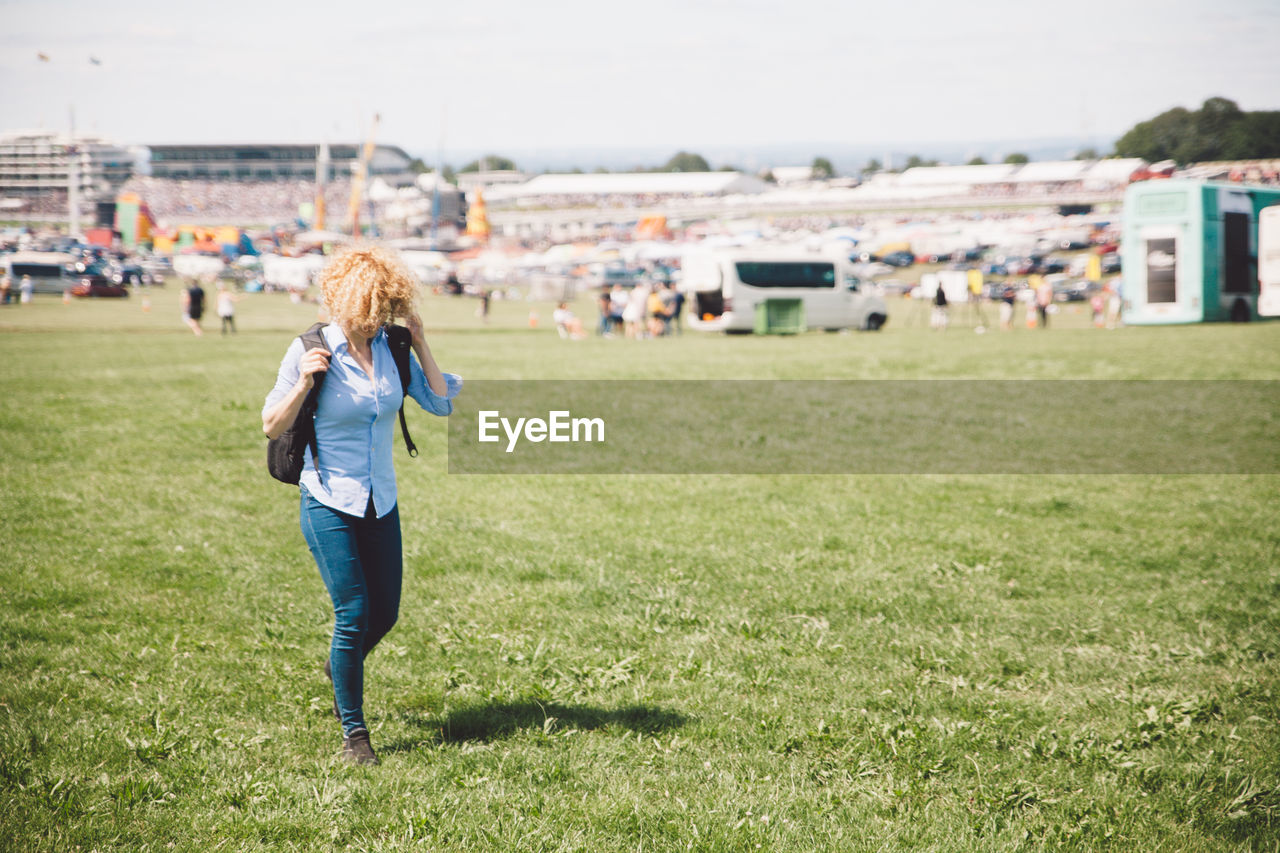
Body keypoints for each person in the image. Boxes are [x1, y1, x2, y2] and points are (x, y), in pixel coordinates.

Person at [261, 244, 461, 766]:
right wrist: (305, 381)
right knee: (352, 614)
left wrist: (419, 345)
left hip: (381, 499)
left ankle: (339, 666)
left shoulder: (393, 347)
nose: (372, 325)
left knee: (386, 613)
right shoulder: (310, 349)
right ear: (342, 302)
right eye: (365, 316)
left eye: (382, 315)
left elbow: (441, 402)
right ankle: (355, 737)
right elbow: (270, 425)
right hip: (328, 497)